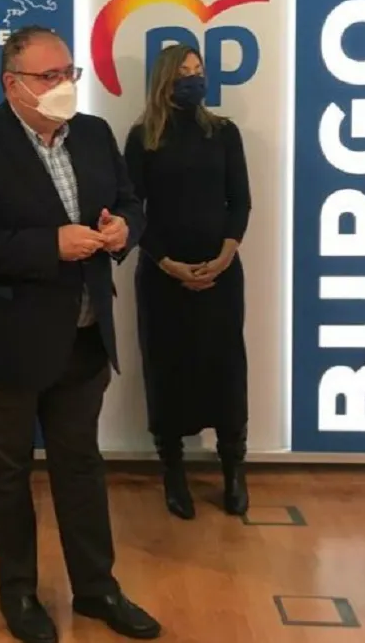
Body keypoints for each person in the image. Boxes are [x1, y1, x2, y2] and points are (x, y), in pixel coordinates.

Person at [0, 25, 161, 643]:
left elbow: (131, 203)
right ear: (13, 85)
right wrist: (48, 246)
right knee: (5, 476)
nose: (65, 85)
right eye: (49, 76)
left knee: (81, 467)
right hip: (1, 344)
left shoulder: (94, 134)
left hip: (83, 337)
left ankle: (97, 588)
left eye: (69, 73)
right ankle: (20, 594)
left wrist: (123, 230)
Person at [123, 44, 252, 520]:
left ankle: (234, 469)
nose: (194, 79)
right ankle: (173, 472)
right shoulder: (142, 137)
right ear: (164, 79)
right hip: (163, 275)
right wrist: (168, 264)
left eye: (199, 70)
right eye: (184, 72)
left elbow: (240, 202)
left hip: (221, 272)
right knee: (167, 367)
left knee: (225, 368)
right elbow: (132, 210)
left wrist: (224, 257)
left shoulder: (224, 132)